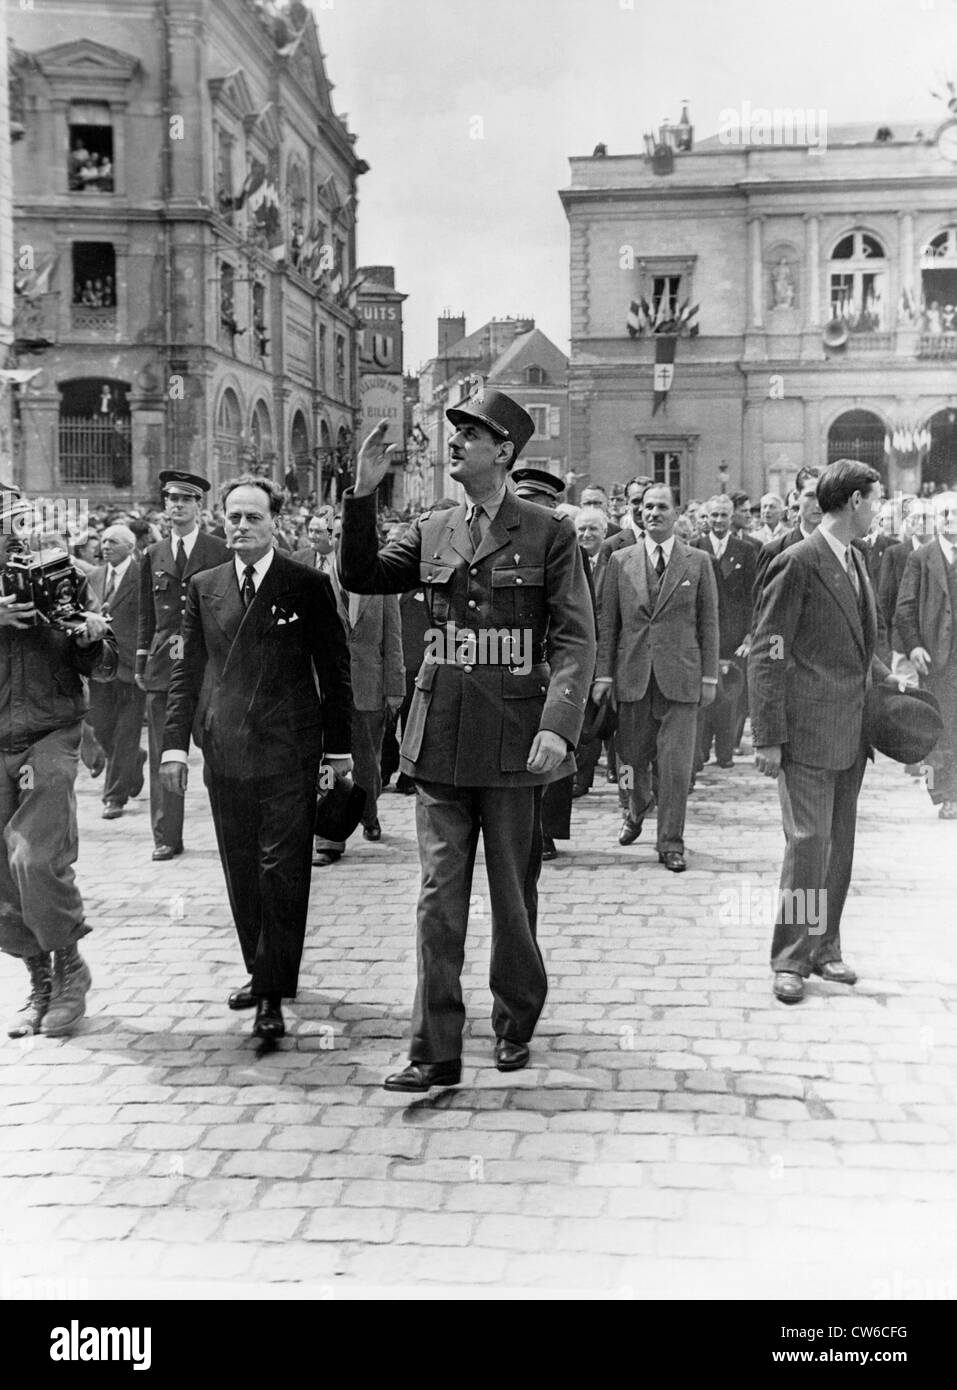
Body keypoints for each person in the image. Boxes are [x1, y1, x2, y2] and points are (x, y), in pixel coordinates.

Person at [339, 390, 595, 1090]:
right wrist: (362, 495)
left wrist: (557, 725)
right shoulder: (433, 526)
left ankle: (515, 1023)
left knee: (512, 899)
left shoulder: (548, 532)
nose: (454, 445)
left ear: (504, 451)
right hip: (441, 737)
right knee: (436, 898)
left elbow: (574, 638)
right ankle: (434, 1049)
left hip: (517, 738)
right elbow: (360, 574)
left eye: (469, 435)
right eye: (454, 436)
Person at [160, 476, 353, 1041]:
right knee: (241, 866)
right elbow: (186, 672)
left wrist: (339, 750)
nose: (240, 526)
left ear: (275, 524)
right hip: (226, 750)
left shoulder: (306, 584)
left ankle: (271, 988)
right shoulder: (204, 585)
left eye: (252, 517)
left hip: (289, 748)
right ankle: (258, 967)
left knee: (281, 869)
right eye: (233, 517)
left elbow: (335, 672)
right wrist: (175, 744)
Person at [749, 458, 887, 1004]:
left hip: (851, 733)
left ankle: (826, 947)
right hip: (806, 732)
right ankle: (790, 958)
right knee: (807, 845)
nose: (879, 509)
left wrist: (884, 674)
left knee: (839, 848)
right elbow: (769, 649)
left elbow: (857, 642)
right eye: (875, 499)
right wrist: (767, 735)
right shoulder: (798, 563)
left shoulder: (855, 558)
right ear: (853, 501)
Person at [0, 497, 117, 1038]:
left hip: (49, 729)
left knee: (35, 857)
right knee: (3, 877)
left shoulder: (65, 574)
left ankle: (70, 969)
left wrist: (90, 637)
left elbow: (101, 656)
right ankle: (38, 981)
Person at [593, 484, 719, 872]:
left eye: (662, 507)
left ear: (677, 513)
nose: (654, 513)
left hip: (680, 678)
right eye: (648, 507)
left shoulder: (697, 561)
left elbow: (709, 621)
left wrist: (710, 677)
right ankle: (635, 807)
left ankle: (671, 843)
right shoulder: (620, 560)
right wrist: (604, 676)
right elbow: (608, 623)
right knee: (630, 762)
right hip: (632, 677)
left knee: (676, 766)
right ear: (639, 513)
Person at [136, 471, 228, 861]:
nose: (177, 506)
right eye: (171, 500)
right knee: (164, 752)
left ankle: (231, 829)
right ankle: (166, 835)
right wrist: (142, 658)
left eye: (185, 501)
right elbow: (147, 614)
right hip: (163, 668)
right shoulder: (153, 555)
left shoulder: (218, 550)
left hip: (206, 667)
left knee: (219, 753)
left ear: (198, 507)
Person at [311, 514, 404, 864]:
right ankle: (329, 837)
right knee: (328, 761)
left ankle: (368, 812)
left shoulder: (381, 582)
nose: (343, 542)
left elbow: (392, 639)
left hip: (369, 685)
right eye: (337, 535)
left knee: (368, 761)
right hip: (326, 685)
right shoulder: (317, 579)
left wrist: (395, 687)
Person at [895, 491, 957, 820]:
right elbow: (904, 608)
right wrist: (915, 645)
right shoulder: (922, 559)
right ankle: (944, 794)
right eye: (944, 513)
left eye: (955, 512)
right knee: (938, 729)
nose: (950, 518)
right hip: (936, 659)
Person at [691, 495, 756, 768]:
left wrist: (750, 635)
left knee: (731, 695)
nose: (718, 521)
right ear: (706, 518)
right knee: (705, 694)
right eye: (713, 515)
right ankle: (702, 749)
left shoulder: (747, 549)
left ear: (732, 518)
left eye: (723, 516)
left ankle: (727, 750)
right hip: (704, 634)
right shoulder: (695, 547)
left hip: (735, 634)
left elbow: (755, 596)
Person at [87, 526, 147, 820]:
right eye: (104, 540)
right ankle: (135, 761)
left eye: (112, 541)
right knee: (100, 727)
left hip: (130, 668)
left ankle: (115, 797)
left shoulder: (142, 575)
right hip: (99, 666)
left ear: (129, 546)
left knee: (126, 732)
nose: (105, 545)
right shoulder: (95, 576)